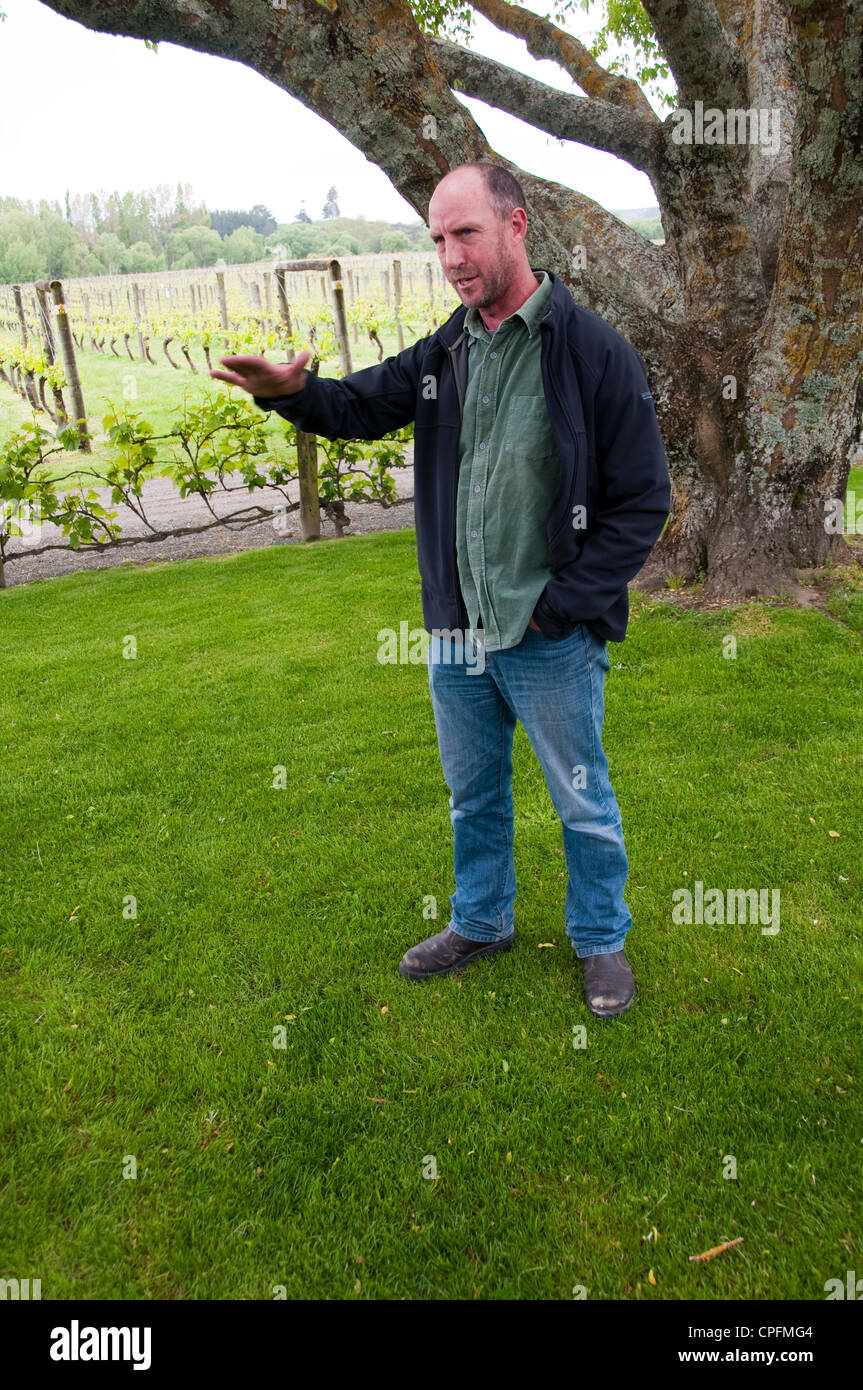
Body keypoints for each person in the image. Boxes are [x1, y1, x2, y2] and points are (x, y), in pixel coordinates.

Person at [210, 162, 671, 1019]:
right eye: (436, 239)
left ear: (515, 227)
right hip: (456, 631)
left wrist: (561, 606)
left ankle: (601, 938)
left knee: (581, 797)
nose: (450, 256)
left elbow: (645, 498)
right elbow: (358, 405)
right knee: (473, 794)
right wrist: (294, 394)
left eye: (464, 234)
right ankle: (482, 920)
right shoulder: (448, 348)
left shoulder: (593, 352)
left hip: (547, 636)